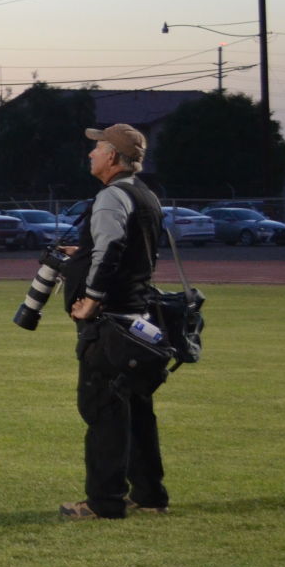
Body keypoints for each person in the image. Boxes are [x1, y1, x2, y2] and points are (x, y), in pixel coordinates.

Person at [59, 123, 169, 521]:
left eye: (97, 148)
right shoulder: (146, 195)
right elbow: (128, 252)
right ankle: (151, 495)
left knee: (103, 408)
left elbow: (111, 251)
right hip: (140, 321)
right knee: (138, 409)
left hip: (111, 324)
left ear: (112, 157)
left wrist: (90, 300)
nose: (90, 154)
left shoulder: (111, 196)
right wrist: (83, 252)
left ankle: (104, 501)